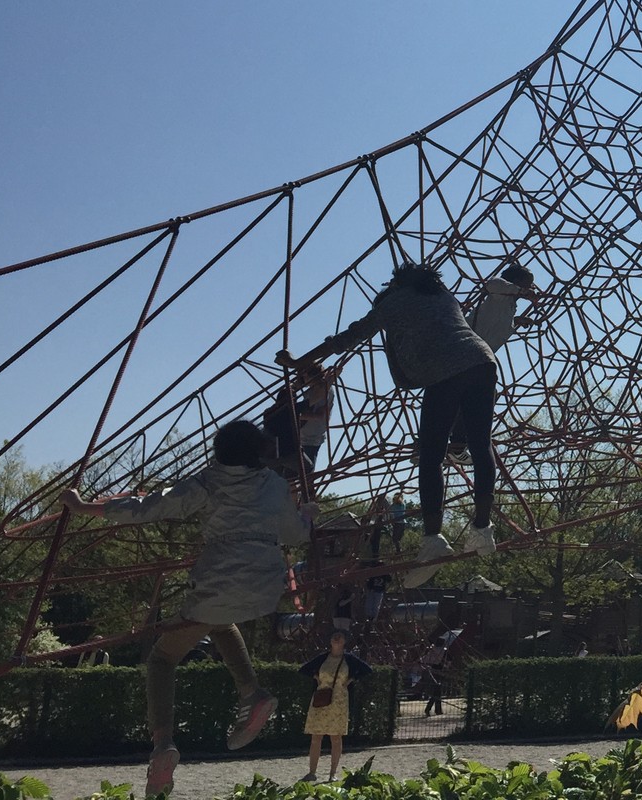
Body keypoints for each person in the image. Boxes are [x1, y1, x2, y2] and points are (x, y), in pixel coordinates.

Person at [58, 420, 311, 798]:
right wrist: (308, 513)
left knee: (162, 659)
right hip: (265, 587)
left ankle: (163, 745)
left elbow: (147, 508)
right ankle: (252, 692)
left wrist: (83, 507)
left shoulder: (209, 482)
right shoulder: (275, 485)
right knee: (218, 623)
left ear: (219, 452)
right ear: (258, 451)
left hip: (219, 581)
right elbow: (296, 534)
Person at [278, 262, 499, 586]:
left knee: (431, 455)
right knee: (481, 445)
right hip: (482, 360)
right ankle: (483, 529)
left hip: (445, 369)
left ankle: (433, 538)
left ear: (395, 284)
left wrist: (299, 362)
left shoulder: (394, 301)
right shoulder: (442, 294)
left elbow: (346, 339)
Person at [450, 262, 539, 463]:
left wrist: (517, 323)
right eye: (528, 284)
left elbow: (497, 330)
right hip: (466, 352)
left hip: (477, 357)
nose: (531, 288)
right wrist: (522, 292)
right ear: (515, 282)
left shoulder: (509, 305)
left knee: (467, 399)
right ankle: (452, 445)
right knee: (471, 398)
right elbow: (493, 283)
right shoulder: (499, 292)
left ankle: (452, 445)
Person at [299, 630, 372, 783]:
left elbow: (367, 669)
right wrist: (316, 677)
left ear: (345, 641)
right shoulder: (322, 658)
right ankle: (312, 772)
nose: (336, 639)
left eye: (340, 637)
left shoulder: (349, 659)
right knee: (315, 737)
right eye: (334, 636)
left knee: (336, 738)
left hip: (339, 701)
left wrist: (351, 679)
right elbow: (303, 669)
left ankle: (332, 773)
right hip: (320, 699)